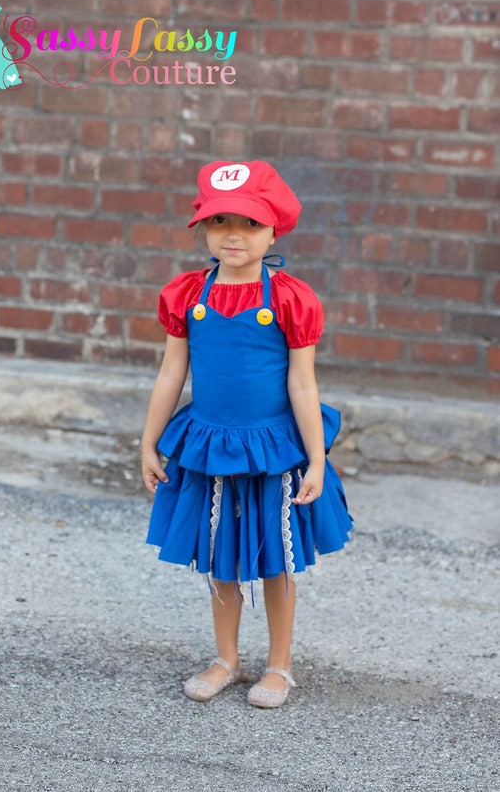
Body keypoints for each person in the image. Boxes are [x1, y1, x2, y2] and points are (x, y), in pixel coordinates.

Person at [141, 160, 352, 708]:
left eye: (251, 224)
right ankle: (226, 658)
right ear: (204, 229)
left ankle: (279, 666)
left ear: (275, 229)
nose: (233, 235)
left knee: (277, 555)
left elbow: (302, 385)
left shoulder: (288, 298)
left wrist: (315, 458)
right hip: (210, 444)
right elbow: (171, 373)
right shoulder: (188, 293)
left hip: (271, 448)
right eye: (220, 222)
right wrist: (149, 441)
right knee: (220, 551)